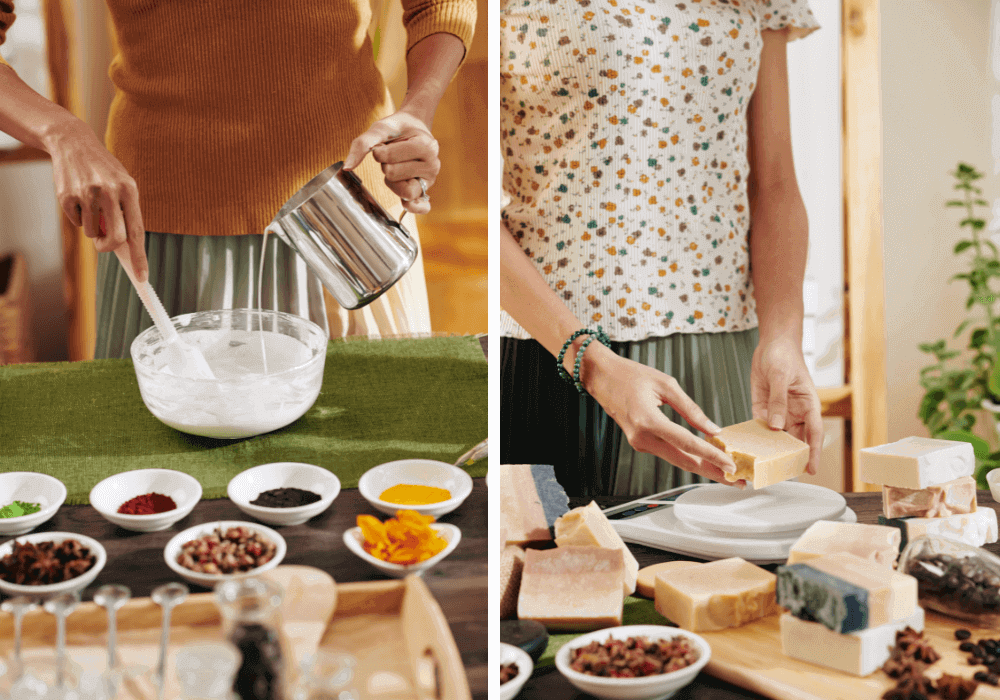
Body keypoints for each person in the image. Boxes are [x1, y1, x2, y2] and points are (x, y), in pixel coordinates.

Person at [0, 1, 476, 357]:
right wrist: (60, 132)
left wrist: (418, 110)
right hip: (166, 239)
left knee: (379, 460)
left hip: (346, 218)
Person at [499, 0, 824, 497]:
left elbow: (776, 185)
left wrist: (783, 336)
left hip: (723, 361)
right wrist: (592, 364)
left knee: (722, 570)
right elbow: (471, 204)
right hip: (555, 352)